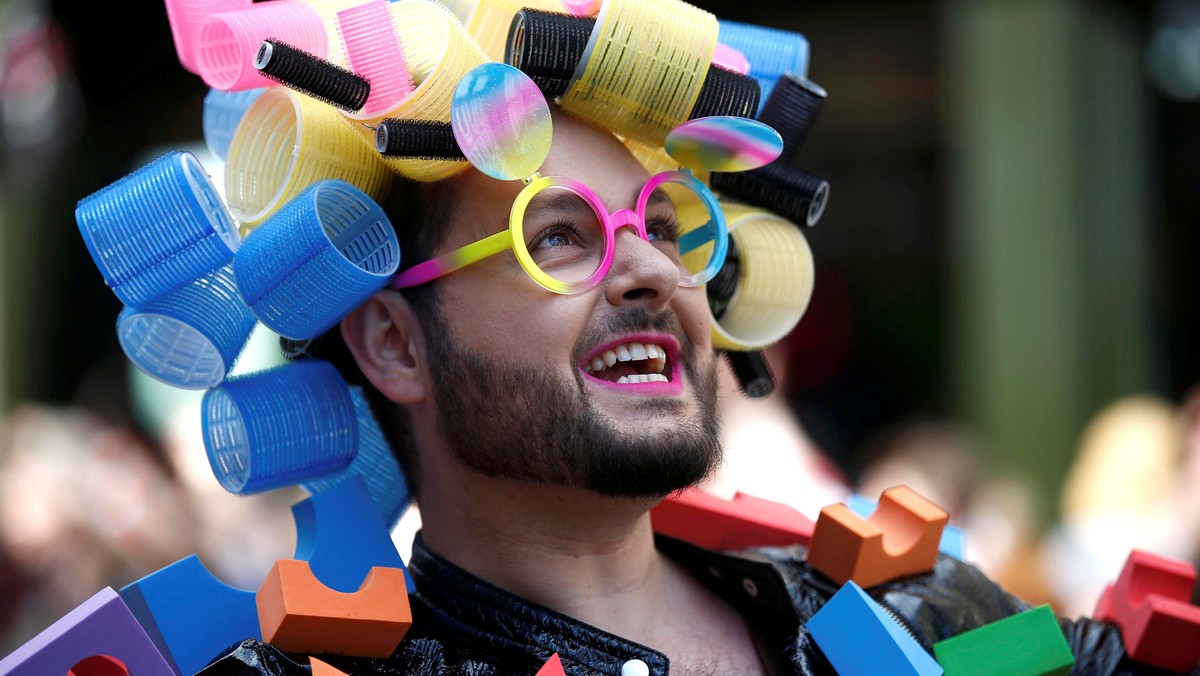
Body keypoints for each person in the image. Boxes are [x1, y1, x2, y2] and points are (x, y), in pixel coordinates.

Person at [196, 101, 1147, 674]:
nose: (651, 267)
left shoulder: (928, 615)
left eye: (661, 223)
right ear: (396, 342)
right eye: (559, 236)